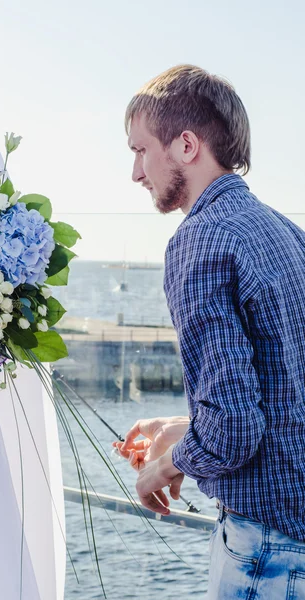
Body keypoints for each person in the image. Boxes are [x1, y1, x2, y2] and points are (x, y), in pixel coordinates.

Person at [113, 64, 305, 599]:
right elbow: (285, 394)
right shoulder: (287, 233)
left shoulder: (199, 240)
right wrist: (182, 425)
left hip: (264, 551)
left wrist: (161, 469)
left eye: (140, 150)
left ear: (187, 145)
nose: (135, 172)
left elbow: (235, 430)